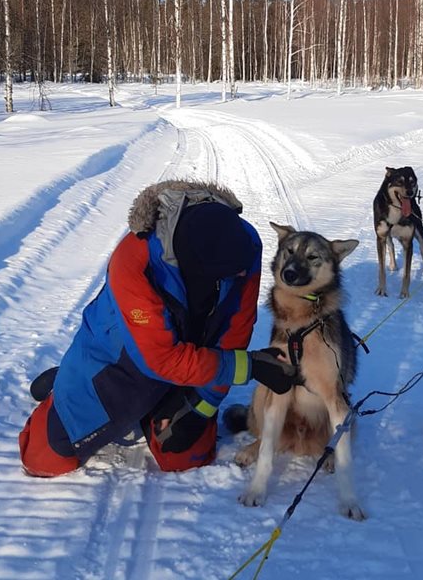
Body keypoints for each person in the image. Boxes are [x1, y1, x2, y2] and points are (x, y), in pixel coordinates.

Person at [19, 180, 299, 476]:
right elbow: (161, 359)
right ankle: (66, 381)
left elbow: (234, 334)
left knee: (184, 458)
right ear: (196, 267)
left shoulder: (244, 243)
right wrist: (251, 367)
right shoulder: (135, 260)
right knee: (43, 460)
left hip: (189, 360)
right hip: (122, 359)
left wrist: (202, 408)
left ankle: (152, 407)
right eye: (233, 272)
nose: (244, 274)